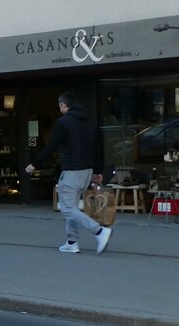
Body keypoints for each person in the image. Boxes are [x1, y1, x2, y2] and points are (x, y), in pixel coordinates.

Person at [25, 92, 113, 255]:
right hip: (87, 171)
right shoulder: (88, 122)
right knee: (72, 207)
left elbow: (51, 146)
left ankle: (99, 231)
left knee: (66, 208)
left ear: (63, 105)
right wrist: (98, 171)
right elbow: (96, 148)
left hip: (72, 170)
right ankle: (72, 242)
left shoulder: (63, 122)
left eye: (60, 106)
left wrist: (33, 164)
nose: (60, 109)